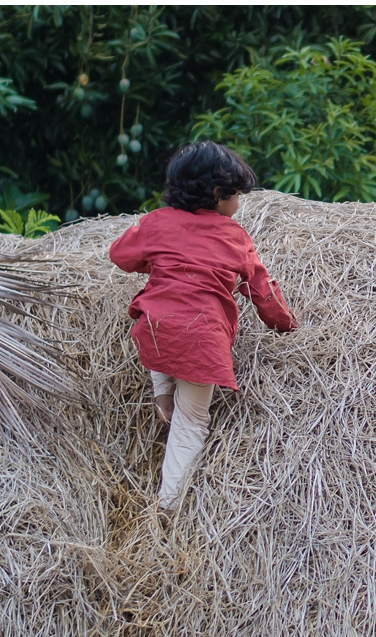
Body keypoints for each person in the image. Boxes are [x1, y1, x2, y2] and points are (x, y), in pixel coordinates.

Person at [108, 141, 298, 510]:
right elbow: (263, 293)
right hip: (202, 338)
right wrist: (286, 324)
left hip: (156, 329)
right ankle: (168, 505)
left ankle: (162, 391)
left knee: (158, 321)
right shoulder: (235, 237)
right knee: (193, 419)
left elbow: (120, 255)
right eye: (237, 196)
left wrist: (158, 263)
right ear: (217, 194)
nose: (240, 205)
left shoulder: (155, 222)